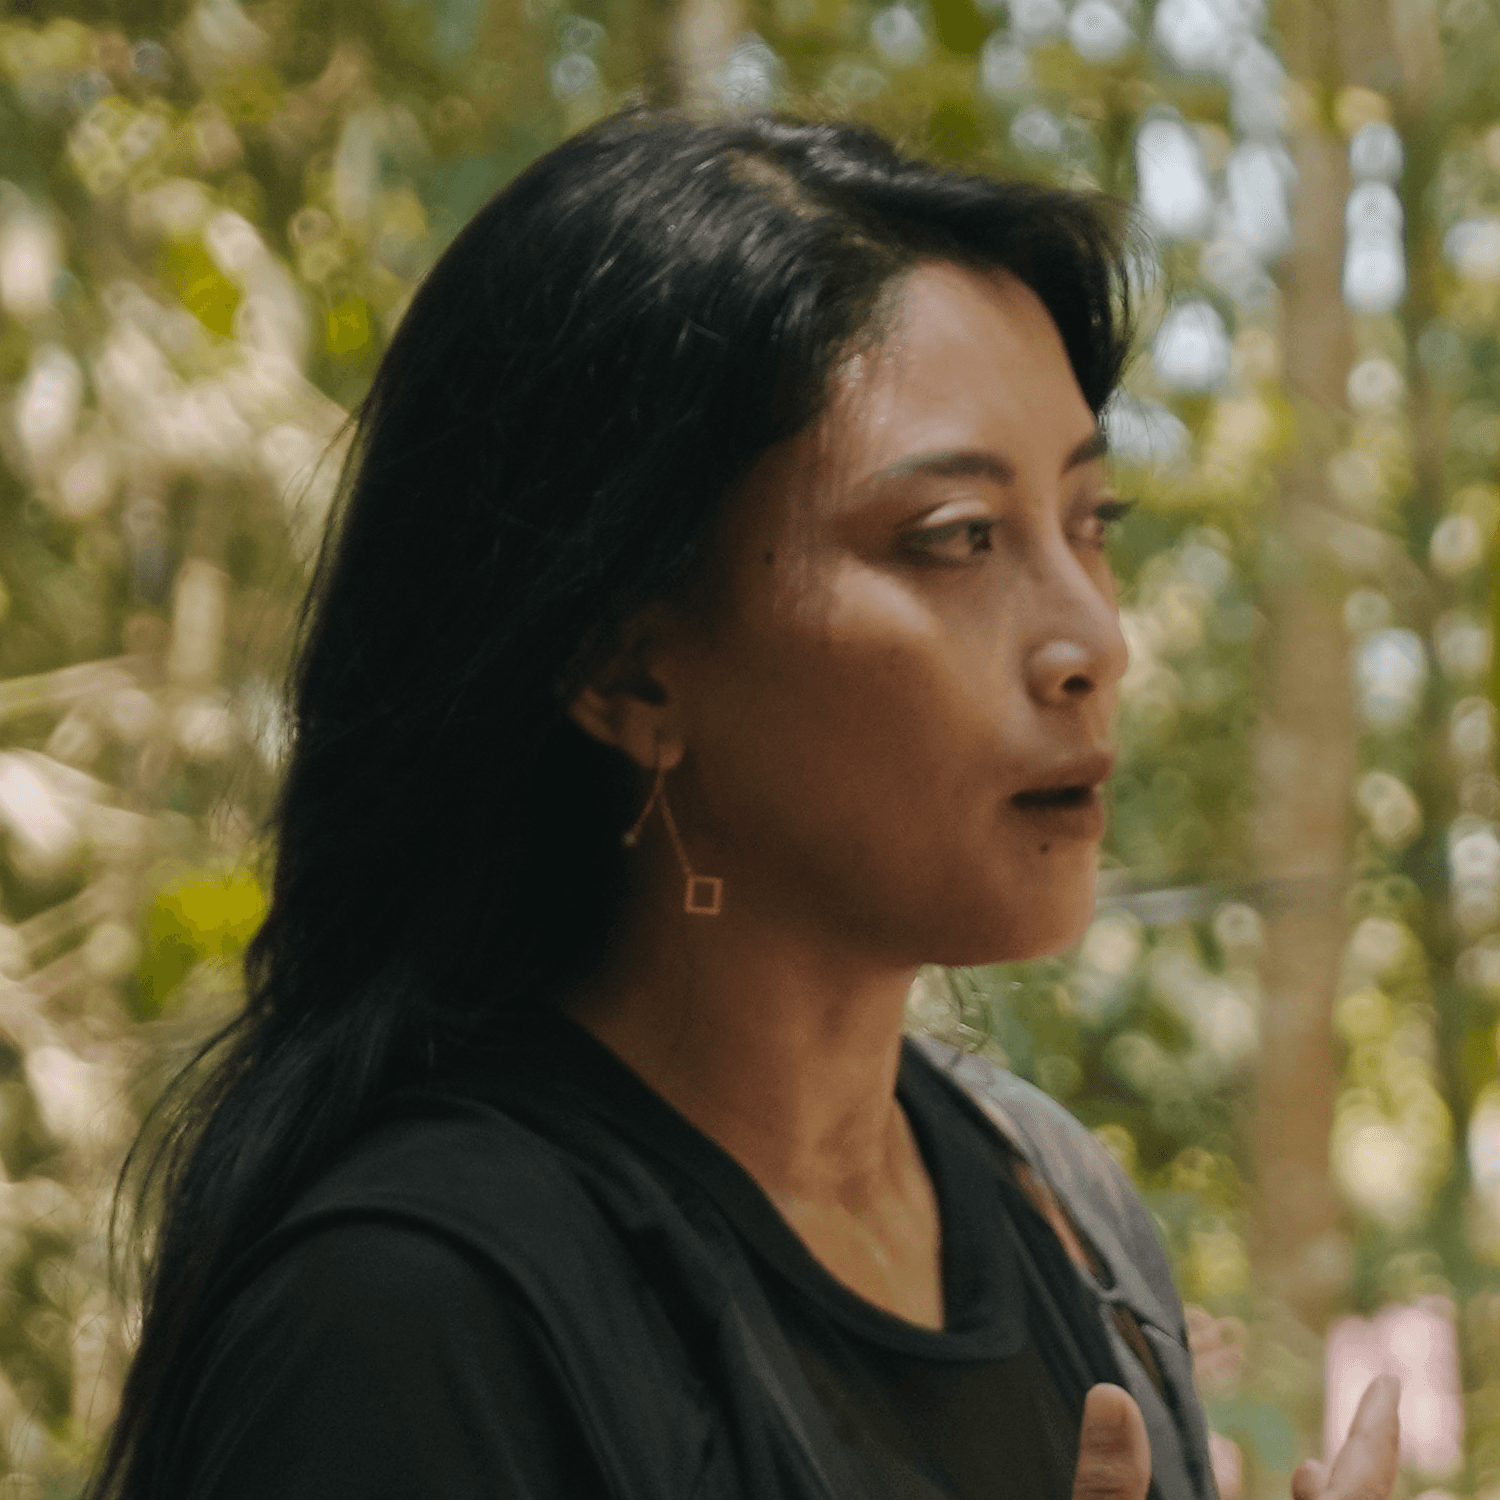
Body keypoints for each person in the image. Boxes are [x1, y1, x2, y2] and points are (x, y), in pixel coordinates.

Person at [84, 109, 1399, 1500]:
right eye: (955, 540)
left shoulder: (1064, 1212)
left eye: (1091, 523)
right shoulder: (408, 1319)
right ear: (629, 670)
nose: (1092, 642)